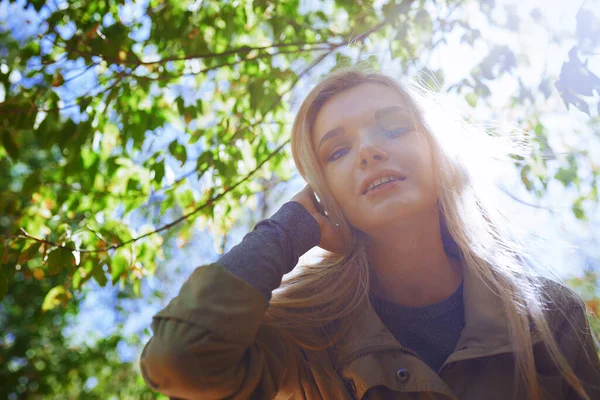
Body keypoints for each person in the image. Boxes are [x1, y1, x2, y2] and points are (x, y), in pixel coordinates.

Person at [139, 68, 600, 399]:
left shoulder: (548, 316)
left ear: (437, 152)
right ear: (323, 192)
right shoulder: (302, 332)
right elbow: (180, 361)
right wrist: (288, 228)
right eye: (337, 151)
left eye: (395, 127)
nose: (369, 150)